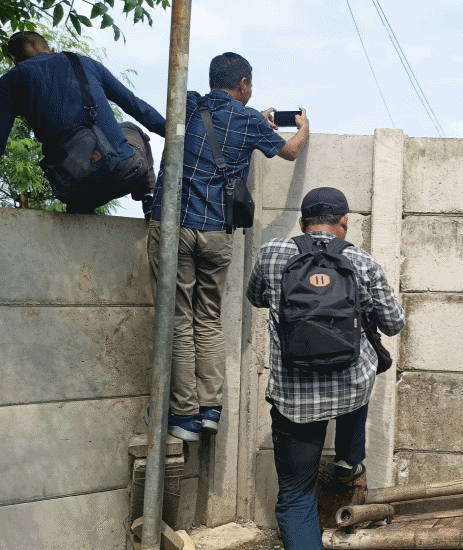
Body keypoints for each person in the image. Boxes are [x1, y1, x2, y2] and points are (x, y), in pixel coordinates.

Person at [147, 52, 310, 441]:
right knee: (208, 318)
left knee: (179, 319)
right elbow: (290, 151)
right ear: (243, 84)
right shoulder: (250, 121)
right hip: (217, 233)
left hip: (175, 227)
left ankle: (184, 414)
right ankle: (210, 409)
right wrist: (303, 128)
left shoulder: (189, 104)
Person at [246, 187, 405, 550]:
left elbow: (256, 297)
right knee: (363, 374)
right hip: (350, 389)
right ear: (344, 221)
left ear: (303, 222)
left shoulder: (272, 253)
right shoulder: (362, 262)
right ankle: (350, 460)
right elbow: (394, 323)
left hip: (294, 399)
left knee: (296, 496)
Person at [0, 30, 164, 213]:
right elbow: (136, 107)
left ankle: (79, 212)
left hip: (74, 189)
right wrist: (176, 134)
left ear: (13, 58)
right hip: (124, 172)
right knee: (131, 128)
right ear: (51, 49)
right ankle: (150, 197)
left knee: (78, 189)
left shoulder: (9, 81)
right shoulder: (85, 63)